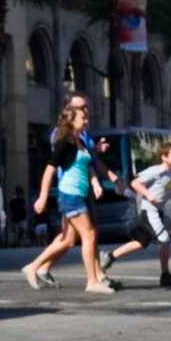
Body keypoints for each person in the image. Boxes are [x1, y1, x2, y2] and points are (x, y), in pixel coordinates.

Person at [24, 94, 116, 295]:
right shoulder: (64, 141)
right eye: (82, 117)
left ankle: (34, 266)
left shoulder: (79, 141)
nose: (86, 120)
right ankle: (92, 281)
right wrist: (42, 197)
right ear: (71, 120)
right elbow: (49, 170)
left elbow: (85, 165)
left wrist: (95, 181)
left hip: (78, 194)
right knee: (89, 234)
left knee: (67, 239)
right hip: (70, 194)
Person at [109, 139, 171, 289]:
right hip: (149, 209)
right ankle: (165, 275)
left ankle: (109, 257)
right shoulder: (156, 171)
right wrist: (148, 195)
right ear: (164, 157)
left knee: (141, 242)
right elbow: (135, 183)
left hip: (158, 211)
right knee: (164, 239)